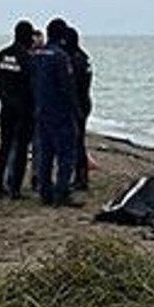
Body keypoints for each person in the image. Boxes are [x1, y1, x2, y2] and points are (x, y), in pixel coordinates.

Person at [30, 18, 80, 206]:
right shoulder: (60, 57)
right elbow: (67, 87)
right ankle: (62, 192)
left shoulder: (36, 54)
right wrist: (76, 110)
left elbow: (32, 82)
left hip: (41, 110)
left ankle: (45, 191)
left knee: (45, 154)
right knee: (66, 155)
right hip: (60, 112)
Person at [0, 20, 35, 198]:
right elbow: (32, 84)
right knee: (21, 149)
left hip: (6, 107)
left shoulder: (2, 55)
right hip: (23, 109)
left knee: (5, 146)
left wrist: (3, 98)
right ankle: (15, 188)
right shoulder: (27, 58)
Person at [64, 25, 94, 191]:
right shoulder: (83, 57)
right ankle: (81, 177)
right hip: (85, 101)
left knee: (76, 142)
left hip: (78, 104)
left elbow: (72, 85)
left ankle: (81, 178)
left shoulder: (74, 59)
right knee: (78, 141)